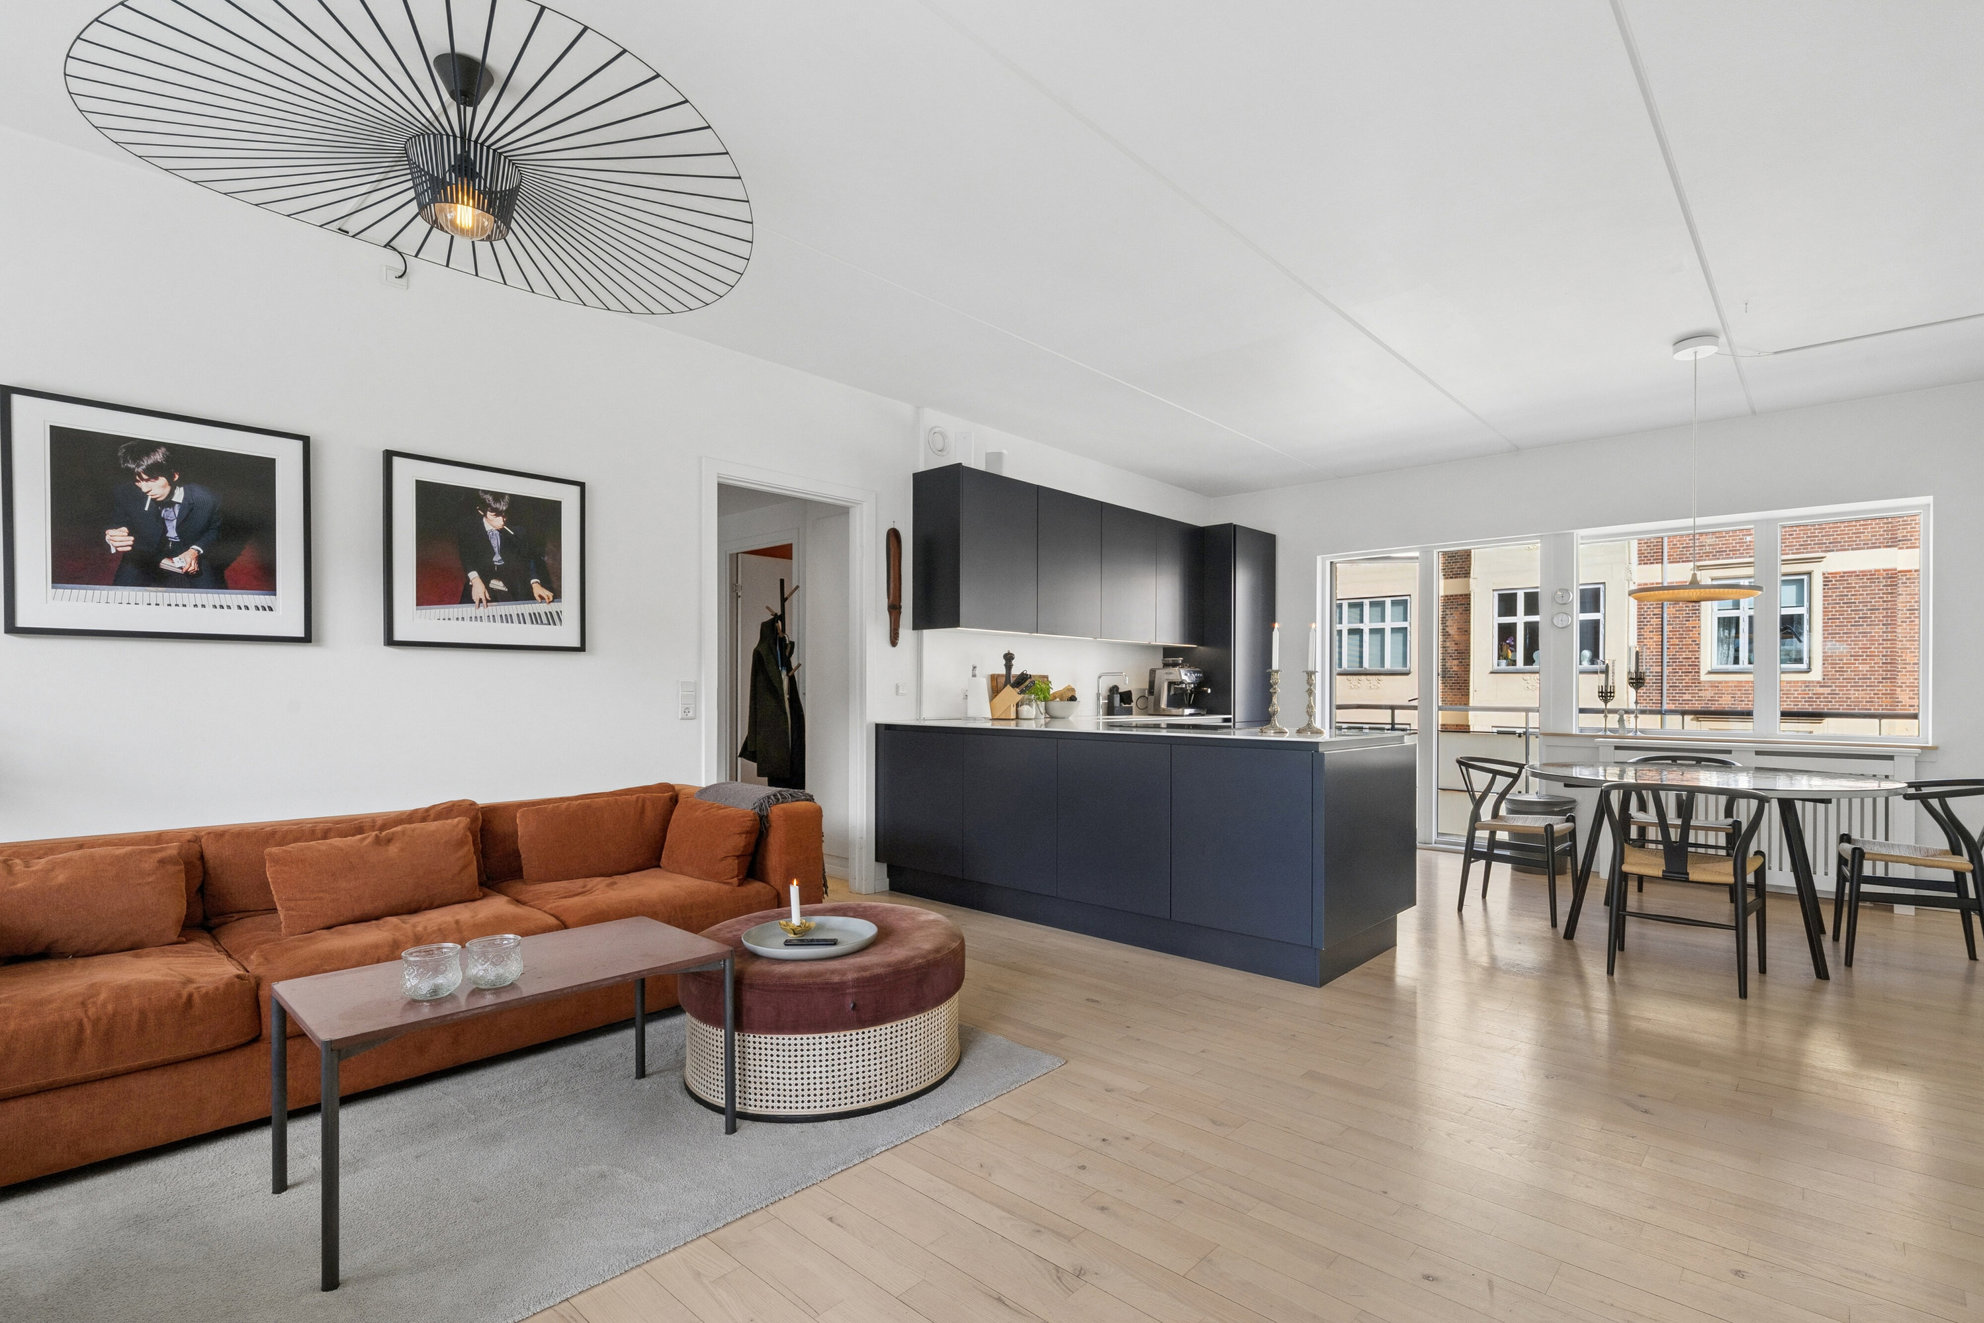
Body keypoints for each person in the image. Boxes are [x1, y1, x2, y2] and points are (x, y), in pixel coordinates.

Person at [102, 442, 225, 589]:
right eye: (138, 481)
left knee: (210, 596)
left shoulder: (206, 498)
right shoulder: (125, 493)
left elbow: (215, 530)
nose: (144, 489)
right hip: (144, 551)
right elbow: (116, 524)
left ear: (174, 475)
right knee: (119, 593)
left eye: (152, 479)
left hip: (187, 548)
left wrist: (195, 550)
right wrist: (113, 536)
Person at [456, 490, 555, 608]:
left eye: (504, 514)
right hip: (481, 573)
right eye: (495, 516)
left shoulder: (519, 529)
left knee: (524, 609)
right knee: (468, 610)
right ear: (480, 511)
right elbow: (466, 555)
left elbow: (529, 558)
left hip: (512, 572)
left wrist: (535, 583)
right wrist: (475, 579)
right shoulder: (468, 528)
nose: (502, 521)